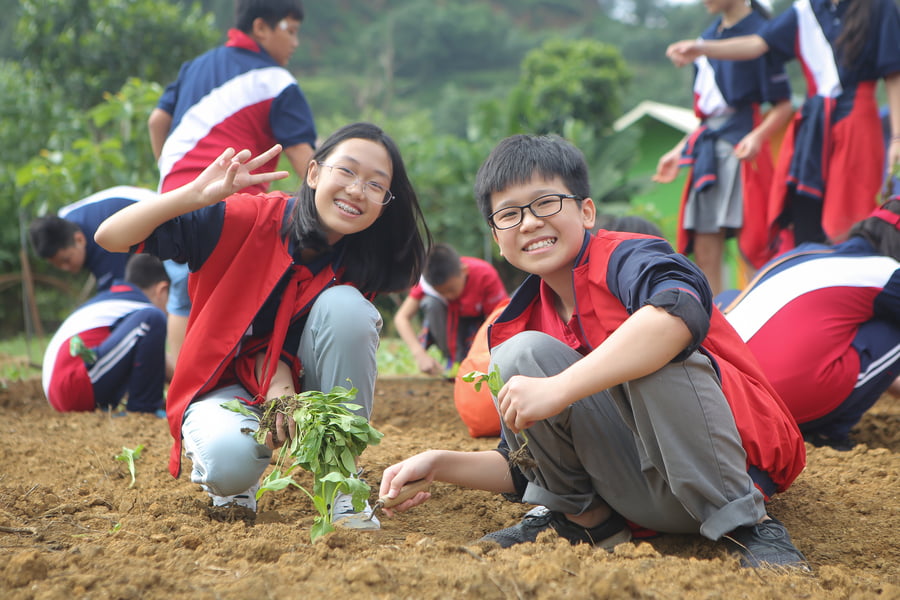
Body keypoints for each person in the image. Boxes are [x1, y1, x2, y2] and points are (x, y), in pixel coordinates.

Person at [379, 134, 809, 570]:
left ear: (586, 211)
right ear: (496, 236)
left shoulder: (629, 259)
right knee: (518, 355)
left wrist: (560, 388)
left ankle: (748, 527)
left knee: (647, 344)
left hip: (729, 476)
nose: (528, 223)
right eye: (508, 214)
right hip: (638, 496)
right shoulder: (517, 321)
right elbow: (522, 464)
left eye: (545, 203)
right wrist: (437, 464)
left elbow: (677, 312)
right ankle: (587, 522)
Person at [95, 123, 430, 529]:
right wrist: (193, 197)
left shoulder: (357, 262)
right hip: (225, 384)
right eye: (347, 171)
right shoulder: (243, 218)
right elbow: (110, 237)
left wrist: (283, 386)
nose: (358, 190)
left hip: (300, 390)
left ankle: (341, 480)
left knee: (349, 310)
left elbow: (318, 348)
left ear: (384, 204)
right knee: (229, 464)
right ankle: (235, 479)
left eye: (376, 185)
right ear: (313, 173)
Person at [148, 0, 318, 361]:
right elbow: (307, 163)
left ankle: (182, 391)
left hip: (174, 197)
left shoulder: (195, 67)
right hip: (231, 206)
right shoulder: (277, 81)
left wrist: (168, 168)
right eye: (291, 30)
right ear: (261, 28)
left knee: (182, 294)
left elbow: (156, 121)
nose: (296, 43)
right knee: (243, 293)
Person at [666, 0, 900, 257]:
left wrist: (897, 138)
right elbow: (758, 44)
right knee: (802, 215)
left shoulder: (879, 6)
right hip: (812, 124)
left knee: (850, 217)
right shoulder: (807, 9)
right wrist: (700, 48)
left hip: (856, 119)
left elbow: (894, 74)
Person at [718, 199, 900, 451]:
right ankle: (828, 433)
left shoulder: (806, 251)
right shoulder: (888, 272)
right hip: (779, 406)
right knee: (893, 328)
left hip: (725, 389)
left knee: (732, 296)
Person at [653, 0, 793, 294]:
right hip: (707, 150)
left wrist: (757, 136)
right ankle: (716, 325)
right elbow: (707, 116)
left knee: (754, 244)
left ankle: (761, 318)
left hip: (743, 149)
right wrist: (679, 149)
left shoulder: (761, 34)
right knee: (705, 246)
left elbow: (783, 105)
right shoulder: (706, 37)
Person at [41, 253, 170, 415]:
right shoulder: (138, 304)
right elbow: (165, 362)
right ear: (162, 291)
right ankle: (144, 410)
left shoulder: (116, 299)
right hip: (72, 383)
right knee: (153, 318)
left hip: (63, 386)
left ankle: (142, 405)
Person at [394, 243, 508, 375]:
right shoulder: (426, 283)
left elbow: (499, 317)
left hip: (477, 327)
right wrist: (419, 354)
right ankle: (451, 360)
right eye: (441, 293)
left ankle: (473, 360)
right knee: (431, 303)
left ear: (464, 271)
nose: (448, 296)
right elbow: (401, 318)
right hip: (448, 327)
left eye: (451, 290)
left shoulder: (485, 274)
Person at [29, 186, 158, 292]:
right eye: (57, 264)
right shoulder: (65, 219)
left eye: (66, 260)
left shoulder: (104, 242)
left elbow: (118, 295)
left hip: (164, 221)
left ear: (79, 240)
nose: (65, 268)